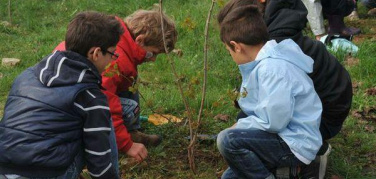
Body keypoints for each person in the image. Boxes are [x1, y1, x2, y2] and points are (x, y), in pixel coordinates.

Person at [218, 0, 353, 178]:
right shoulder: (268, 55)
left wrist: (240, 126)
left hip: (297, 141)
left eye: (229, 51)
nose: (230, 55)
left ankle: (302, 164)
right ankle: (287, 171)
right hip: (289, 133)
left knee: (228, 141)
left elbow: (274, 121)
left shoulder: (272, 69)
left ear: (237, 46)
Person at [0, 11, 123, 179]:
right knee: (101, 119)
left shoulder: (26, 76)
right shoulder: (90, 96)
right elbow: (98, 163)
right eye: (112, 53)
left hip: (4, 167)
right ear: (95, 53)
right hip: (45, 173)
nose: (112, 60)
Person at [54, 7, 177, 162]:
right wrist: (127, 145)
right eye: (153, 53)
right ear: (139, 40)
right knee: (129, 105)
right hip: (71, 109)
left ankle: (131, 131)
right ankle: (120, 137)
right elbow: (107, 109)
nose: (153, 59)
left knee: (129, 81)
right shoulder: (113, 60)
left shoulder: (117, 37)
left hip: (67, 93)